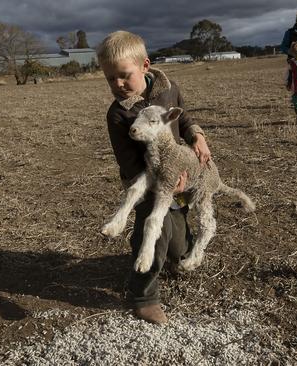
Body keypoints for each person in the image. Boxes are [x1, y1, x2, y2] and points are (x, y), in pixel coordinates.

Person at [96, 31, 211, 325]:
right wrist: (166, 182)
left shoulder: (168, 89)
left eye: (124, 75)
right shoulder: (118, 115)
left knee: (177, 239)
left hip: (180, 175)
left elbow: (183, 119)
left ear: (145, 66)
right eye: (110, 78)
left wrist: (196, 134)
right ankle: (143, 296)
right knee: (152, 232)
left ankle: (180, 254)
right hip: (148, 184)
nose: (118, 84)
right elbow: (129, 162)